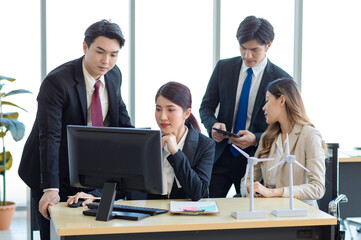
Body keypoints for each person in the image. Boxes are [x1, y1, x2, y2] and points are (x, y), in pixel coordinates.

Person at [18, 19, 133, 240]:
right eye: (100, 52)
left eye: (113, 54)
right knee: (54, 233)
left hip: (87, 168)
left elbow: (121, 122)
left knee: (89, 232)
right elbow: (50, 136)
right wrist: (50, 188)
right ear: (85, 47)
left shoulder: (114, 75)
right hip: (51, 167)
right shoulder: (57, 82)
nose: (106, 61)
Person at [67, 81, 215, 205]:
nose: (163, 117)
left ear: (187, 113)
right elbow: (124, 184)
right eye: (158, 109)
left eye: (170, 110)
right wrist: (94, 196)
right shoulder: (146, 141)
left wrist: (176, 153)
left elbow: (197, 192)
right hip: (150, 216)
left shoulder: (205, 145)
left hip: (186, 220)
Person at [199, 15, 291, 198]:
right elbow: (206, 107)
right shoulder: (223, 68)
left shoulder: (282, 80)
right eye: (243, 48)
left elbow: (286, 127)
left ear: (268, 45)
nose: (247, 56)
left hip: (257, 159)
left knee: (251, 216)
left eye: (254, 50)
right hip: (222, 153)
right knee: (207, 208)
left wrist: (256, 139)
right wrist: (213, 126)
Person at [241, 78, 326, 208]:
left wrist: (274, 192)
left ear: (281, 100)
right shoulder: (267, 137)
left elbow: (317, 188)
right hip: (269, 211)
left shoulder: (310, 135)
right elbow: (248, 178)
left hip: (301, 213)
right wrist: (249, 189)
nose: (264, 108)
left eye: (267, 100)